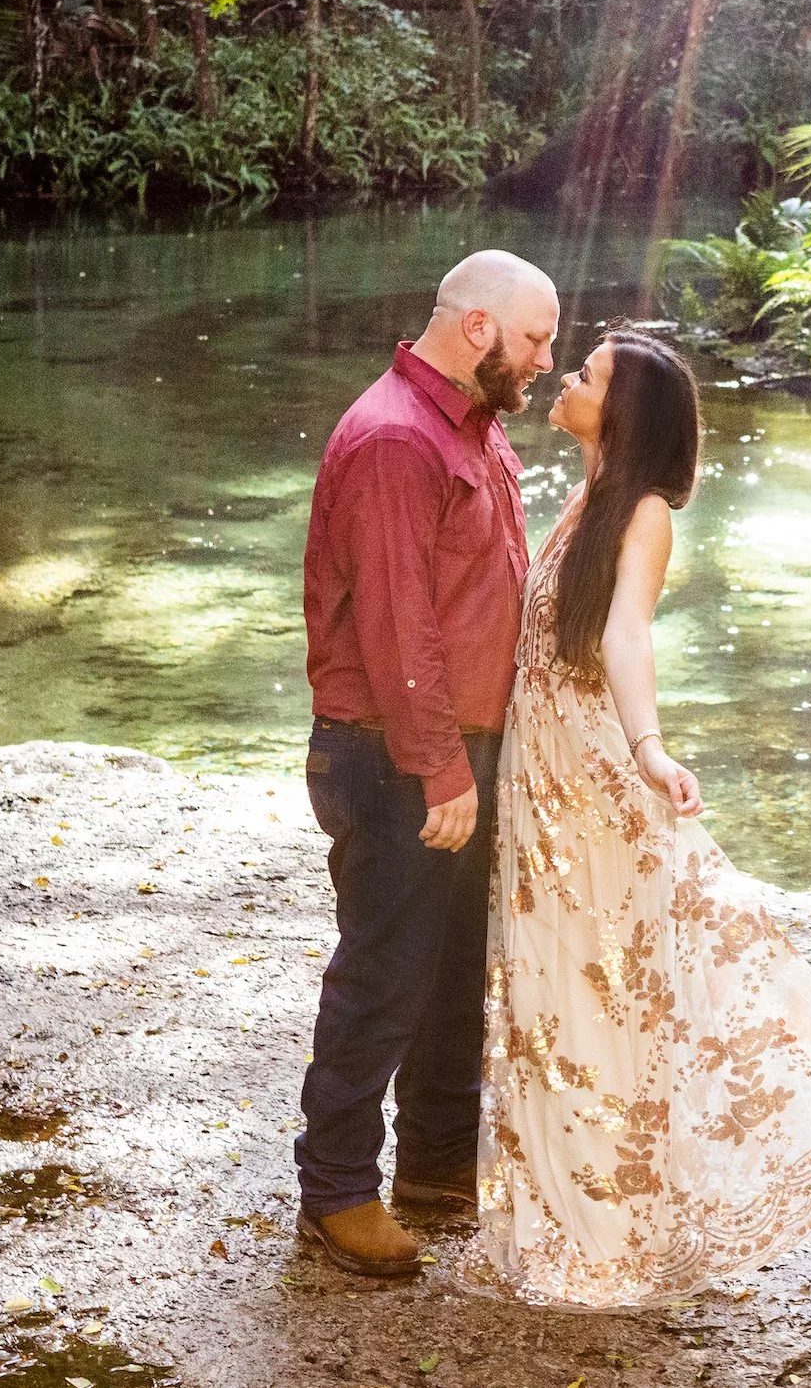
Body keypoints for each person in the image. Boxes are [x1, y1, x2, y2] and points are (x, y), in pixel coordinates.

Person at [476, 327, 811, 1306]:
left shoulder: (639, 515)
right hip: (541, 782)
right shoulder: (584, 500)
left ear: (622, 412)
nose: (566, 378)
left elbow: (627, 634)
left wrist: (648, 749)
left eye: (586, 375)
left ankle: (610, 1237)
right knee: (548, 996)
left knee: (600, 1001)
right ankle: (562, 1219)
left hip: (592, 784)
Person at [294, 249, 561, 1277]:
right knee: (385, 969)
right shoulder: (396, 441)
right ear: (482, 328)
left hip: (459, 747)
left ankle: (439, 1162)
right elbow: (400, 637)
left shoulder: (472, 428)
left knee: (453, 969)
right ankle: (336, 1193)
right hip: (393, 753)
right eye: (537, 338)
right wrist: (443, 770)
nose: (547, 358)